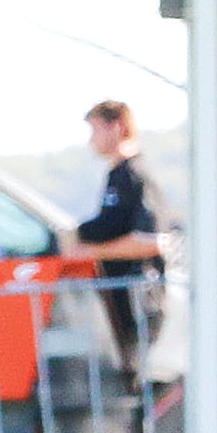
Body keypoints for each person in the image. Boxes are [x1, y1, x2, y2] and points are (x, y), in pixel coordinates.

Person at [77, 101, 169, 383]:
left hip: (139, 299)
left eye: (95, 130)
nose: (91, 140)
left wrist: (91, 252)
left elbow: (153, 241)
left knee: (139, 377)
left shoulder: (135, 174)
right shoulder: (116, 176)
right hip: (120, 305)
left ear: (116, 127)